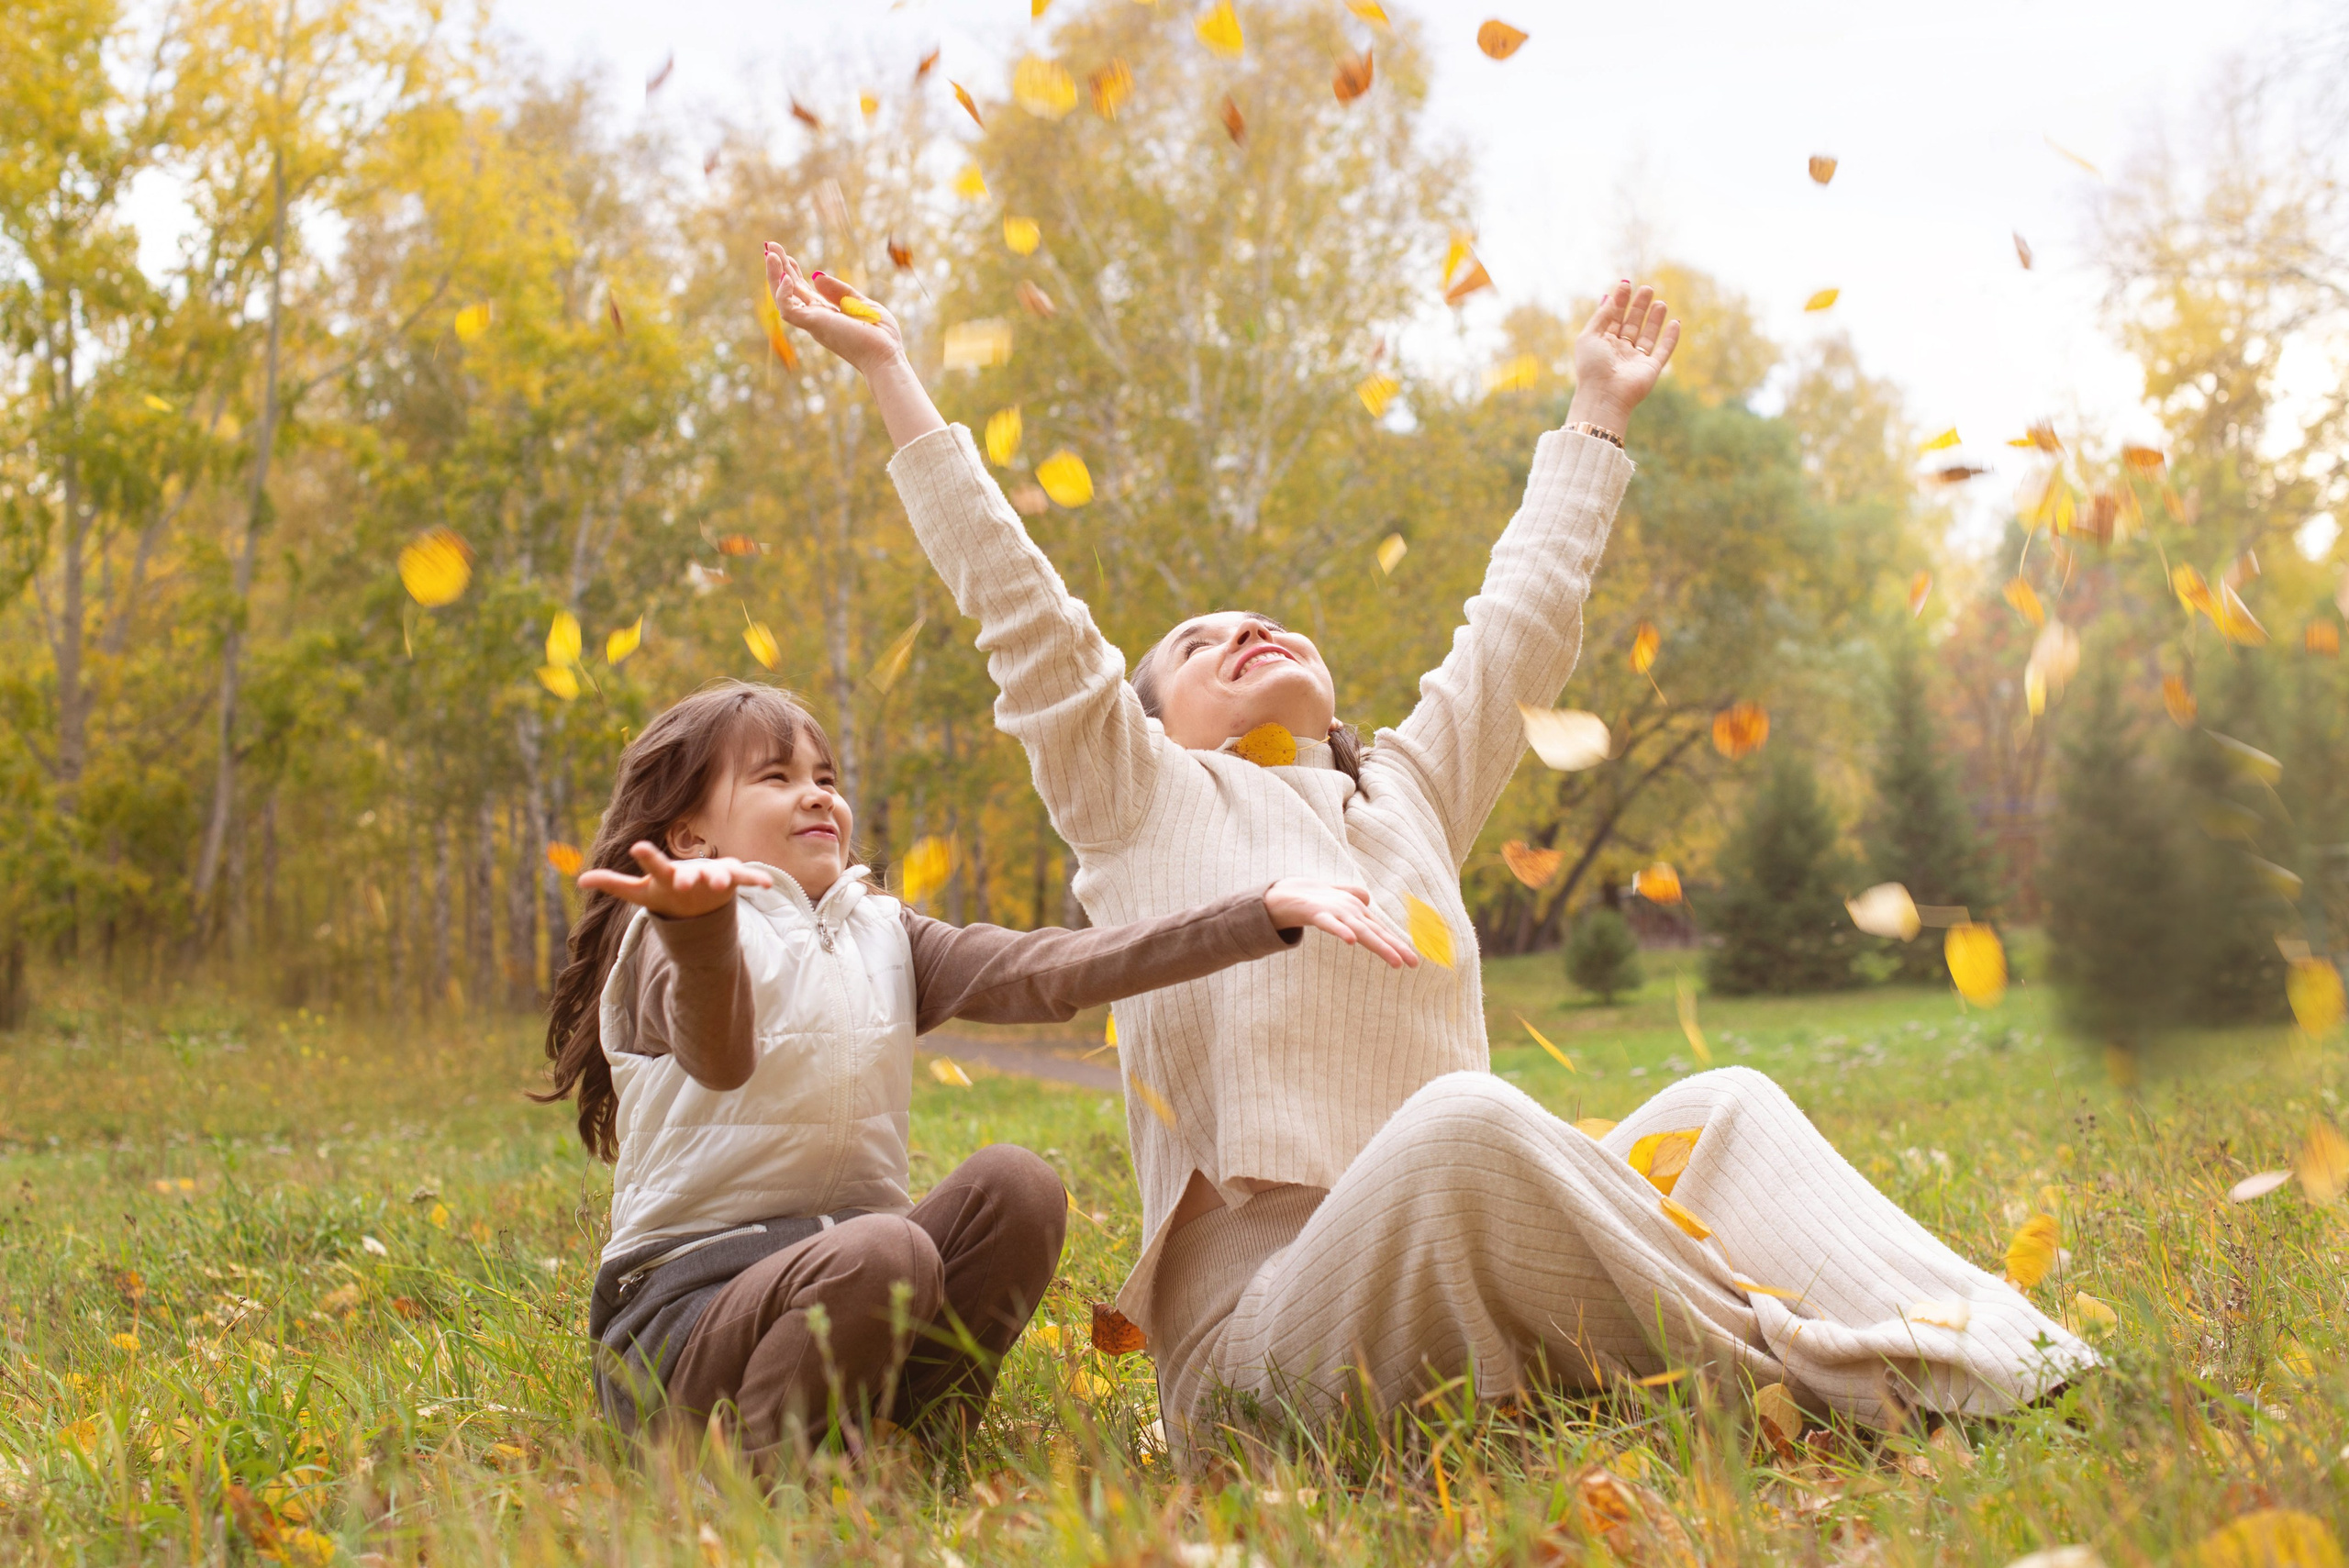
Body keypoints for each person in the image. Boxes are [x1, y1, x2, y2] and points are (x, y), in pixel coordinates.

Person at [764, 245, 2098, 1463]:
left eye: (1267, 618)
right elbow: (1022, 610)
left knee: (1729, 1105)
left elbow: (1521, 621)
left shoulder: (1401, 788)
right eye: (1199, 642)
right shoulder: (1141, 801)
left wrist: (1598, 414)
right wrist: (894, 374)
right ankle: (1835, 1384)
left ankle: (2022, 1360)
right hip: (1264, 1357)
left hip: (1460, 1271)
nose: (1249, 631)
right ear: (1150, 715)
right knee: (1463, 1122)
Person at [540, 679, 1414, 1467]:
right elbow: (719, 1058)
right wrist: (700, 935)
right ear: (690, 830)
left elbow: (1059, 968)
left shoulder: (884, 932)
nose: (816, 794)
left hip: (849, 1288)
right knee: (885, 1247)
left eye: (827, 778)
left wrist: (1258, 912)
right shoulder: (662, 938)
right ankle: (765, 1474)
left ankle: (915, 1431)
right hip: (683, 1331)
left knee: (1018, 1185)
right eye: (775, 777)